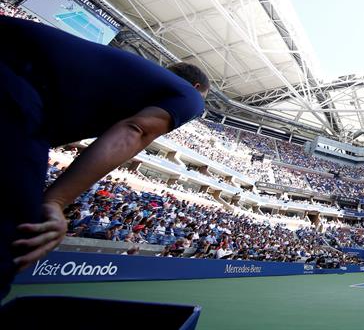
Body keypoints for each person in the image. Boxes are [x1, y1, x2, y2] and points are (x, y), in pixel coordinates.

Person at [0, 15, 209, 299]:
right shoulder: (191, 97)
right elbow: (136, 130)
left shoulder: (121, 79)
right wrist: (56, 201)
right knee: (12, 237)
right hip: (16, 82)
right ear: (197, 88)